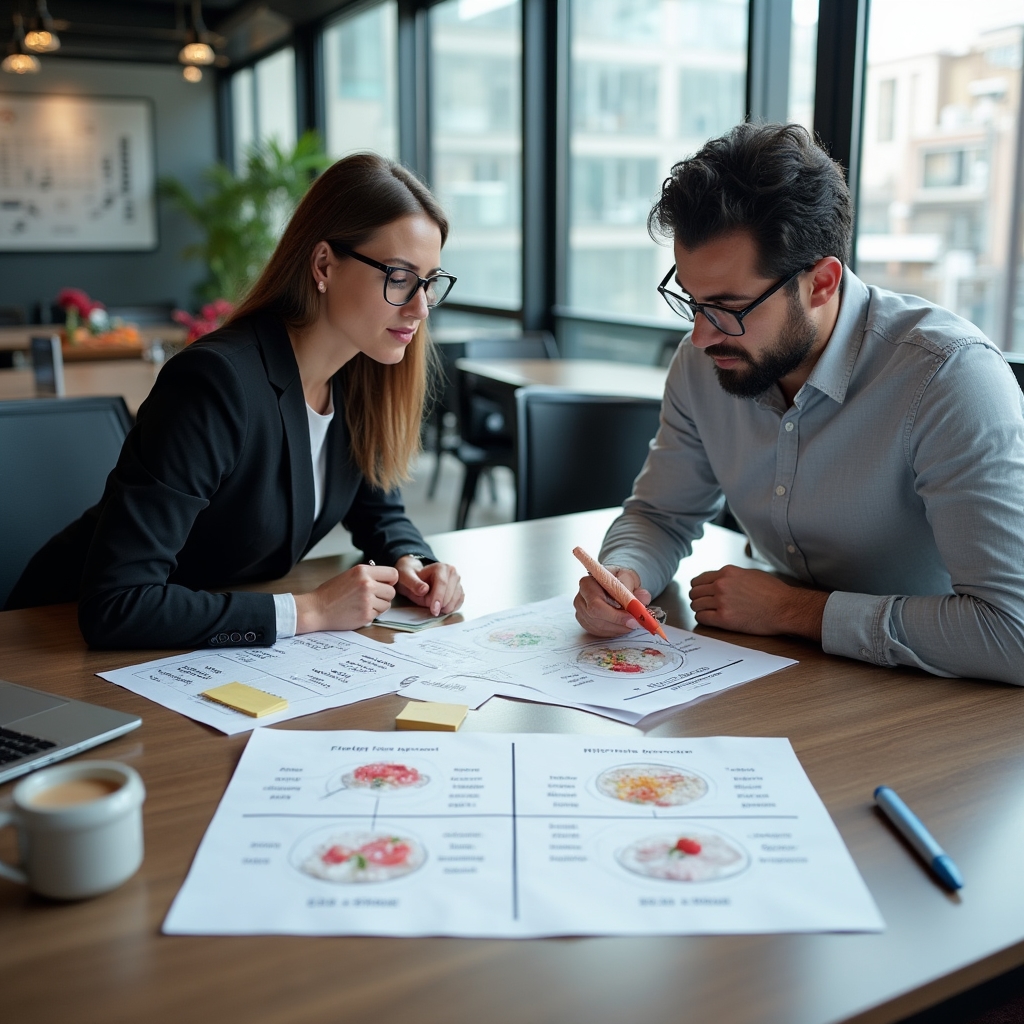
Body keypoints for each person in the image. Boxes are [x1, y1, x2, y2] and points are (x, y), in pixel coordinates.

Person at [574, 122, 1024, 685]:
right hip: (794, 675)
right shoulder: (704, 363)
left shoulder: (947, 377)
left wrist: (793, 610)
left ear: (821, 284)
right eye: (690, 301)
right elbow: (662, 514)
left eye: (728, 307)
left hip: (940, 703)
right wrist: (624, 574)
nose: (700, 336)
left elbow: (1012, 629)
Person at [7, 153, 464, 649]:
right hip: (49, 639)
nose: (420, 307)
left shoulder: (359, 376)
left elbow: (379, 508)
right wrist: (307, 610)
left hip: (185, 645)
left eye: (429, 281)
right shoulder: (215, 382)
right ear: (324, 264)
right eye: (399, 278)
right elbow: (118, 603)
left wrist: (414, 562)